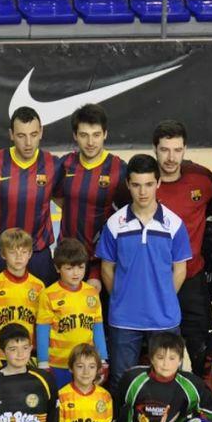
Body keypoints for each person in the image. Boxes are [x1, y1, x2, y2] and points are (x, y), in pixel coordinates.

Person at [96, 154, 192, 392]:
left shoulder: (175, 224)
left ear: (158, 183)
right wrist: (120, 297)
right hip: (124, 319)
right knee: (122, 383)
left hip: (164, 319)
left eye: (149, 184)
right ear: (128, 184)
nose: (143, 192)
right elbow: (107, 268)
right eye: (136, 185)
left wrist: (165, 298)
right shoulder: (114, 224)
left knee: (170, 382)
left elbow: (180, 269)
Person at [153, 120, 212, 389]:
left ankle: (209, 418)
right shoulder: (143, 182)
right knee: (157, 355)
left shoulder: (202, 180)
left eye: (177, 150)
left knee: (205, 355)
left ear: (185, 149)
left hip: (192, 283)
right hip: (154, 284)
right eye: (164, 150)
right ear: (155, 150)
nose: (171, 158)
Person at [0, 106, 61, 285]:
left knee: (41, 311)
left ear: (41, 132)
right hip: (0, 253)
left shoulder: (53, 164)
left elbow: (64, 201)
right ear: (11, 134)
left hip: (38, 254)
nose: (28, 142)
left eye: (33, 134)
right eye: (21, 136)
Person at [54, 104, 129, 293]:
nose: (90, 142)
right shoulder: (65, 164)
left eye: (96, 135)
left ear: (105, 134)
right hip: (67, 260)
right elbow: (58, 197)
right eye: (84, 135)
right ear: (74, 135)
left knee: (100, 320)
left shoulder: (119, 169)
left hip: (104, 262)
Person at [0, 228, 45, 379]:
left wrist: (36, 351)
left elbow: (41, 324)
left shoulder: (38, 286)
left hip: (26, 354)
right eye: (12, 252)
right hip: (0, 354)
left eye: (23, 252)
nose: (19, 257)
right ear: (3, 254)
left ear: (30, 254)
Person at [36, 238, 107, 389]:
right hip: (58, 363)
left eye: (80, 267)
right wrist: (42, 362)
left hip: (85, 364)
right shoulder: (48, 294)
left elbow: (97, 327)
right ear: (57, 268)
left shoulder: (92, 293)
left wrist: (103, 359)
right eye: (69, 268)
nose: (76, 273)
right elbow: (43, 330)